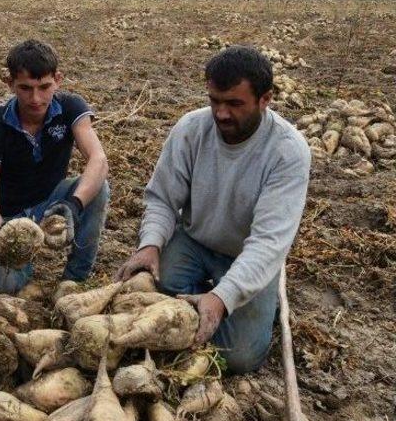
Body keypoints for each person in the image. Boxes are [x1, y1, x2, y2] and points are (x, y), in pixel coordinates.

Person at [117, 46, 311, 374]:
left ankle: (243, 297)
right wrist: (150, 245)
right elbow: (163, 198)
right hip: (195, 241)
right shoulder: (191, 129)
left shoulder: (287, 152)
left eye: (234, 104)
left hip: (247, 254)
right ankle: (205, 295)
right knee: (151, 296)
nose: (221, 113)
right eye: (214, 101)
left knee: (238, 357)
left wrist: (222, 299)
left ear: (266, 99)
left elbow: (268, 243)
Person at [0, 40, 109, 292]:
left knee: (99, 187)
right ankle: (14, 265)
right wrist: (2, 234)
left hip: (52, 202)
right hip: (10, 217)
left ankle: (75, 280)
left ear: (58, 80)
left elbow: (98, 160)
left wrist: (73, 204)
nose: (36, 99)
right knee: (7, 286)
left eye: (44, 87)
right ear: (9, 83)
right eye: (25, 88)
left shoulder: (70, 107)